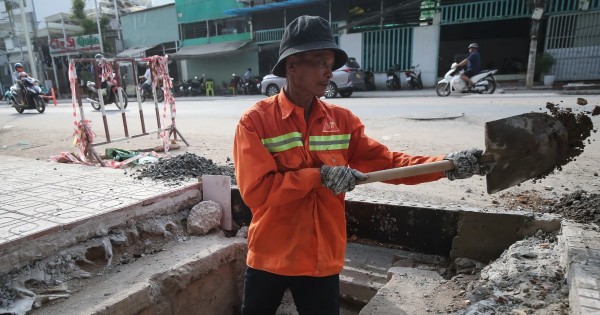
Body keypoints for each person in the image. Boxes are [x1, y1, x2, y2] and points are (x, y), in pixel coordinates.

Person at [233, 15, 493, 314]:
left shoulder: (342, 121)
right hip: (270, 256)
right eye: (320, 62)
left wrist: (447, 165)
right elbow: (256, 192)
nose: (328, 72)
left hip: (322, 259)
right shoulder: (255, 122)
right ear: (292, 66)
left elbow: (390, 163)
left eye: (330, 64)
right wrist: (319, 177)